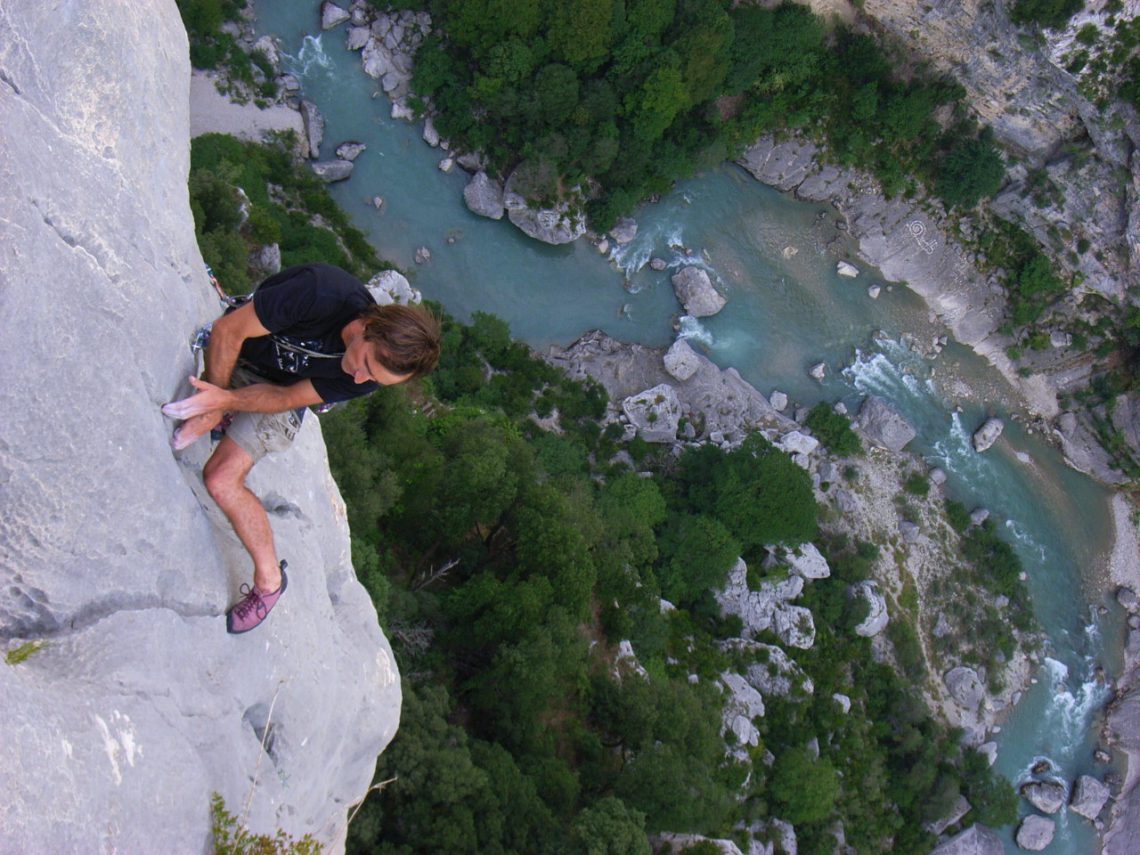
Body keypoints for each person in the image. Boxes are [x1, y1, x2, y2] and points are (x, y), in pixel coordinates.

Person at [162, 262, 441, 634]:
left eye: (373, 379)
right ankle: (223, 411)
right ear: (368, 327)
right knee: (214, 406)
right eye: (366, 366)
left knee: (221, 479)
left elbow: (289, 396)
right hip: (244, 351)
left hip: (279, 390)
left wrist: (225, 401)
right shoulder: (320, 293)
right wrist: (215, 401)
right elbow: (229, 331)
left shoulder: (365, 377)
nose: (360, 380)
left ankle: (270, 583)